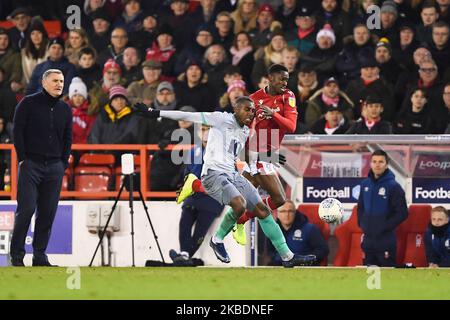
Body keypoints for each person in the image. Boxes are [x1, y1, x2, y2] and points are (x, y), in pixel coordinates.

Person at [133, 96, 314, 267]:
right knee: (239, 204)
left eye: (253, 110)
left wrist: (268, 155)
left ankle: (287, 257)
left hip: (231, 174)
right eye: (247, 109)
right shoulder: (220, 119)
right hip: (213, 174)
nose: (251, 113)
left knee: (262, 210)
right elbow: (187, 115)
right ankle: (217, 239)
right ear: (235, 109)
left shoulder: (244, 130)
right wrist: (154, 112)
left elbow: (241, 154)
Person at [11, 69, 73, 267]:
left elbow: (68, 139)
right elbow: (17, 131)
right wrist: (23, 159)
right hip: (31, 165)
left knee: (47, 213)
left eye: (62, 81)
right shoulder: (27, 103)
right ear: (44, 82)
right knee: (26, 210)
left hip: (55, 167)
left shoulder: (65, 109)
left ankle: (40, 256)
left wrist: (62, 163)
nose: (59, 84)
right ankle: (17, 256)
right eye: (55, 80)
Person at [169, 125, 224, 266]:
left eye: (207, 129)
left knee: (200, 230)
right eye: (202, 129)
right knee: (184, 223)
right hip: (194, 195)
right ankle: (185, 255)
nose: (204, 132)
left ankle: (184, 256)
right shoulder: (193, 151)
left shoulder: (223, 152)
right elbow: (186, 173)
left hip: (212, 198)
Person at [357, 150, 408, 267]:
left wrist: (384, 226)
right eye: (374, 161)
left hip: (385, 240)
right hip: (368, 240)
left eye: (381, 162)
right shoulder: (365, 185)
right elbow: (360, 207)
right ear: (370, 163)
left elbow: (402, 213)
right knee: (368, 276)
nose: (377, 164)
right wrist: (362, 223)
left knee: (387, 277)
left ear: (386, 165)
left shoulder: (394, 187)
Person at [268, 200, 329, 266]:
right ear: (277, 214)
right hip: (282, 268)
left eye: (290, 211)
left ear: (295, 213)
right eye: (283, 211)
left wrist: (305, 259)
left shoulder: (310, 229)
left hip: (305, 269)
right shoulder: (273, 231)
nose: (287, 215)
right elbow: (271, 253)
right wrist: (281, 259)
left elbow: (323, 250)